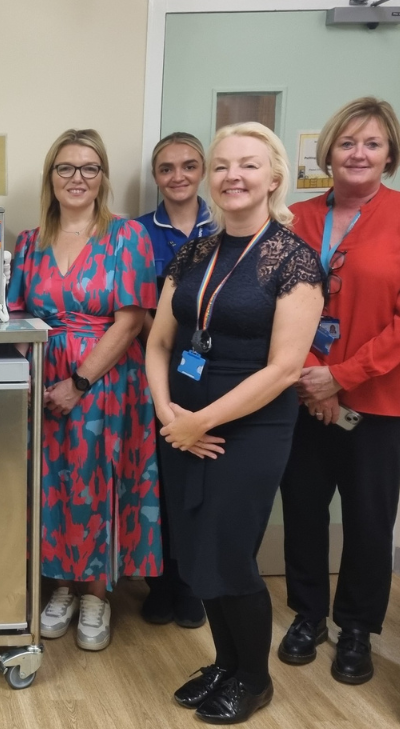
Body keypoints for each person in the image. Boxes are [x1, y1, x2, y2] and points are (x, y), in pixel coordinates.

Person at [145, 122, 323, 724]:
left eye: (247, 165)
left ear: (274, 177)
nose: (232, 177)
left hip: (248, 427)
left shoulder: (293, 261)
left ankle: (254, 677)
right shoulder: (193, 253)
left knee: (228, 553)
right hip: (182, 422)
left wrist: (202, 421)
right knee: (195, 547)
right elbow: (158, 342)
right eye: (221, 166)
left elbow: (284, 369)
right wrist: (168, 411)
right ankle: (225, 661)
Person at [278, 97, 400, 684]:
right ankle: (308, 615)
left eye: (371, 144)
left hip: (382, 402)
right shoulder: (295, 219)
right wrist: (312, 378)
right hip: (303, 396)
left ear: (390, 154)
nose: (358, 154)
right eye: (347, 143)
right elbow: (280, 309)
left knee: (369, 521)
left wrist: (341, 377)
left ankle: (357, 629)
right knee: (301, 510)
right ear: (328, 151)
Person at [6, 128, 159, 652]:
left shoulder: (127, 237)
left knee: (98, 483)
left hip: (106, 381)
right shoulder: (29, 242)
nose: (77, 178)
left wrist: (78, 382)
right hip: (43, 380)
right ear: (51, 177)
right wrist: (22, 380)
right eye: (65, 168)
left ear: (103, 177)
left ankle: (96, 593)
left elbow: (130, 321)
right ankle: (62, 587)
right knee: (51, 485)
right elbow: (18, 317)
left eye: (88, 168)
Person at [133, 132, 215, 629]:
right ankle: (160, 581)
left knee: (203, 479)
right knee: (160, 480)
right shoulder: (138, 233)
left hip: (218, 373)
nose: (178, 176)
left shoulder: (225, 223)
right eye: (166, 168)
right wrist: (161, 343)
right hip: (158, 366)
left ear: (202, 169)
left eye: (188, 165)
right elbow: (140, 305)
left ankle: (193, 585)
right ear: (155, 176)